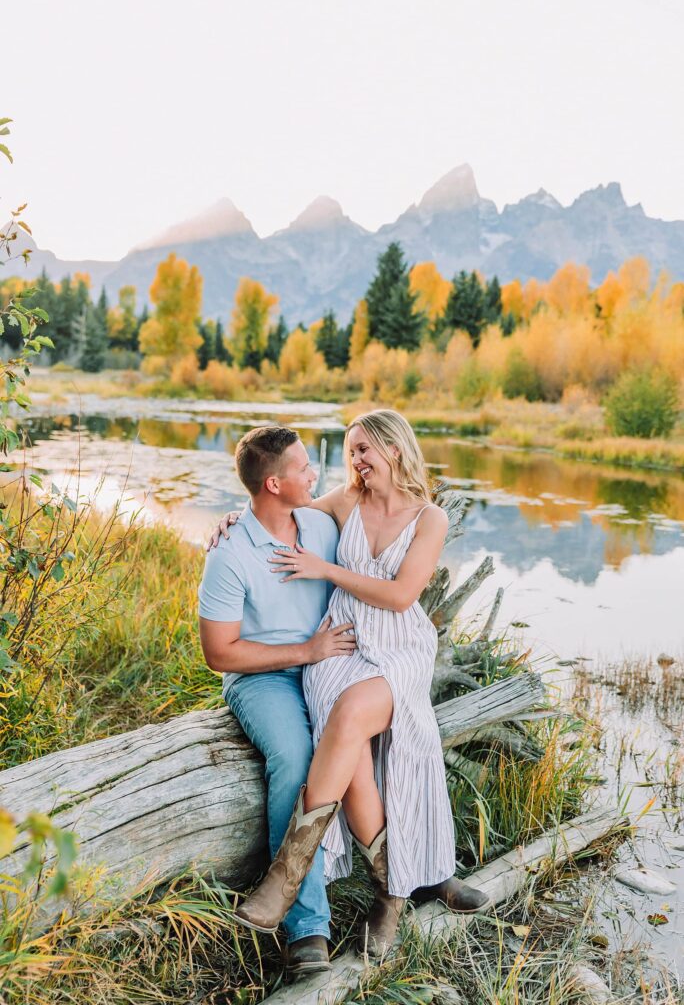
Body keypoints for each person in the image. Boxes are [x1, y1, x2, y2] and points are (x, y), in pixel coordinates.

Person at [208, 411, 488, 963]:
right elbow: (273, 508)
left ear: (395, 449)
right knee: (350, 744)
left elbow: (403, 595)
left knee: (352, 714)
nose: (356, 461)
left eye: (365, 450)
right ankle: (391, 889)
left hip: (398, 649)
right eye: (352, 450)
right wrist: (229, 518)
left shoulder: (429, 518)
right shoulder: (344, 501)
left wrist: (326, 571)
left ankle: (286, 877)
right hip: (344, 645)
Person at [199, 425, 355, 979]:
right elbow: (220, 653)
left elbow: (373, 490)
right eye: (304, 467)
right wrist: (305, 650)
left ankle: (403, 879)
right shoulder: (229, 554)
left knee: (372, 732)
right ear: (273, 483)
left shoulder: (317, 522)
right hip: (261, 677)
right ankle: (306, 927)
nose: (315, 474)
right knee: (296, 754)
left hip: (326, 665)